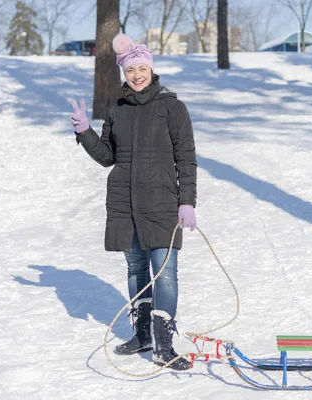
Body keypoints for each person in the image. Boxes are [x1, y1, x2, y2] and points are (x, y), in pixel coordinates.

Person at [69, 34, 197, 371]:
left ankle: (164, 345)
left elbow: (186, 159)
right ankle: (141, 335)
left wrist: (187, 202)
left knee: (165, 276)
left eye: (142, 68)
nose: (137, 75)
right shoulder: (117, 109)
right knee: (136, 269)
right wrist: (85, 133)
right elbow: (108, 156)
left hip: (162, 203)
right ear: (124, 72)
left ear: (152, 70)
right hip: (126, 203)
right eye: (131, 70)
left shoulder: (172, 107)